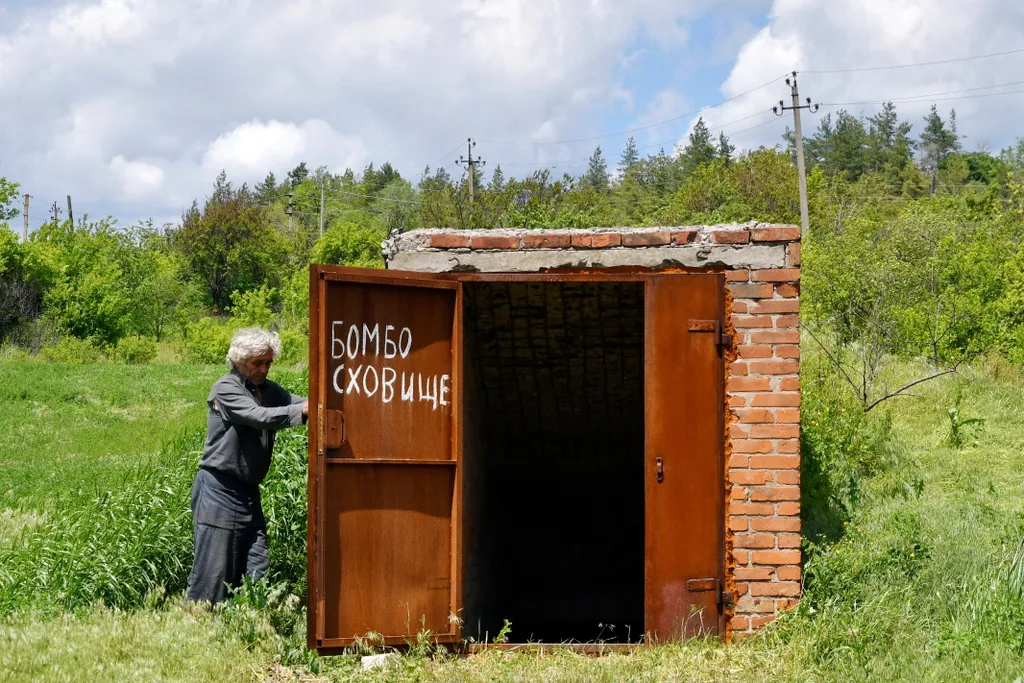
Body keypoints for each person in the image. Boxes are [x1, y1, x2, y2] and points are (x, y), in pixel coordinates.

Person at [186, 327, 308, 604]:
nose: (264, 369)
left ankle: (247, 629)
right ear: (239, 360)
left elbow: (300, 404)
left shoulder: (266, 390)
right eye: (258, 363)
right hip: (219, 491)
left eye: (268, 363)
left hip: (248, 494)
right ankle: (196, 632)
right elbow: (259, 416)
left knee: (257, 570)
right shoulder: (227, 388)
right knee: (212, 578)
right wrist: (301, 411)